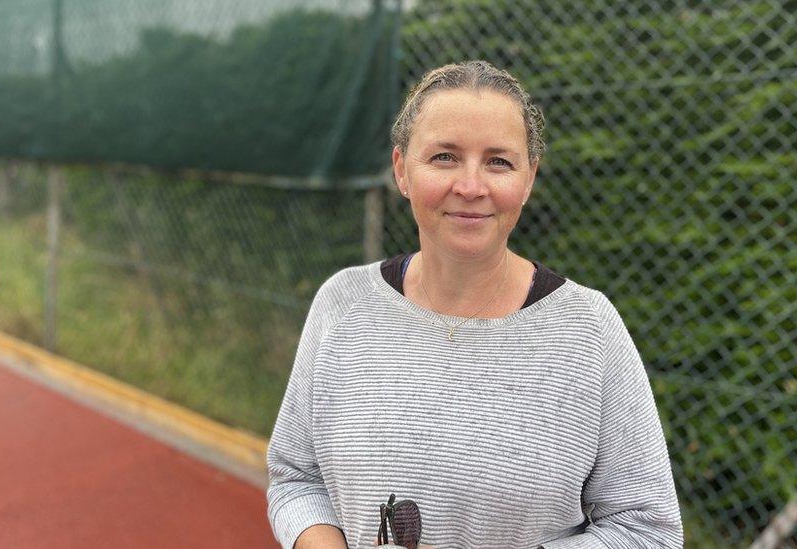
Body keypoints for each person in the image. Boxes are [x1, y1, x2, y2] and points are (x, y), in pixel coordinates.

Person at [266, 60, 683, 549]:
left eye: (499, 162)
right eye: (444, 157)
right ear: (402, 170)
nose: (470, 186)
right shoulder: (342, 303)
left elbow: (646, 528)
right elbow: (296, 478)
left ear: (529, 180)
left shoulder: (588, 330)